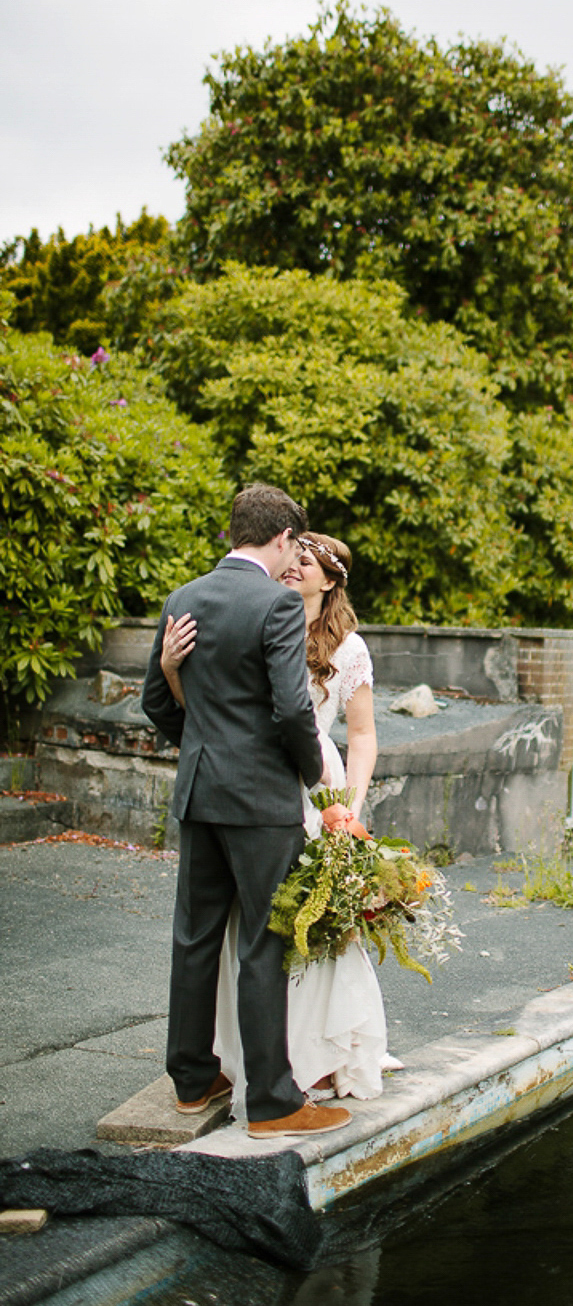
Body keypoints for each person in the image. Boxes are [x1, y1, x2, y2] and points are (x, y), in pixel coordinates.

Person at [141, 484, 352, 1139]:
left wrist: (204, 748)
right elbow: (292, 710)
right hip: (260, 800)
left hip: (200, 792)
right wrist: (315, 777)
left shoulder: (184, 599)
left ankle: (191, 1078)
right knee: (266, 938)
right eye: (294, 544)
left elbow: (156, 701)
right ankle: (272, 1101)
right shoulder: (277, 605)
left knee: (196, 935)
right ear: (284, 538)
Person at [163, 533, 395, 1110]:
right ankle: (249, 1063)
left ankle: (315, 1056)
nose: (294, 566)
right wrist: (171, 671)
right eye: (294, 555)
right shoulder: (259, 616)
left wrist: (348, 804)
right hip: (257, 786)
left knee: (306, 927)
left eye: (307, 562)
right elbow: (216, 707)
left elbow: (362, 734)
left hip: (316, 789)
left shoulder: (350, 649)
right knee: (250, 930)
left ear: (330, 580)